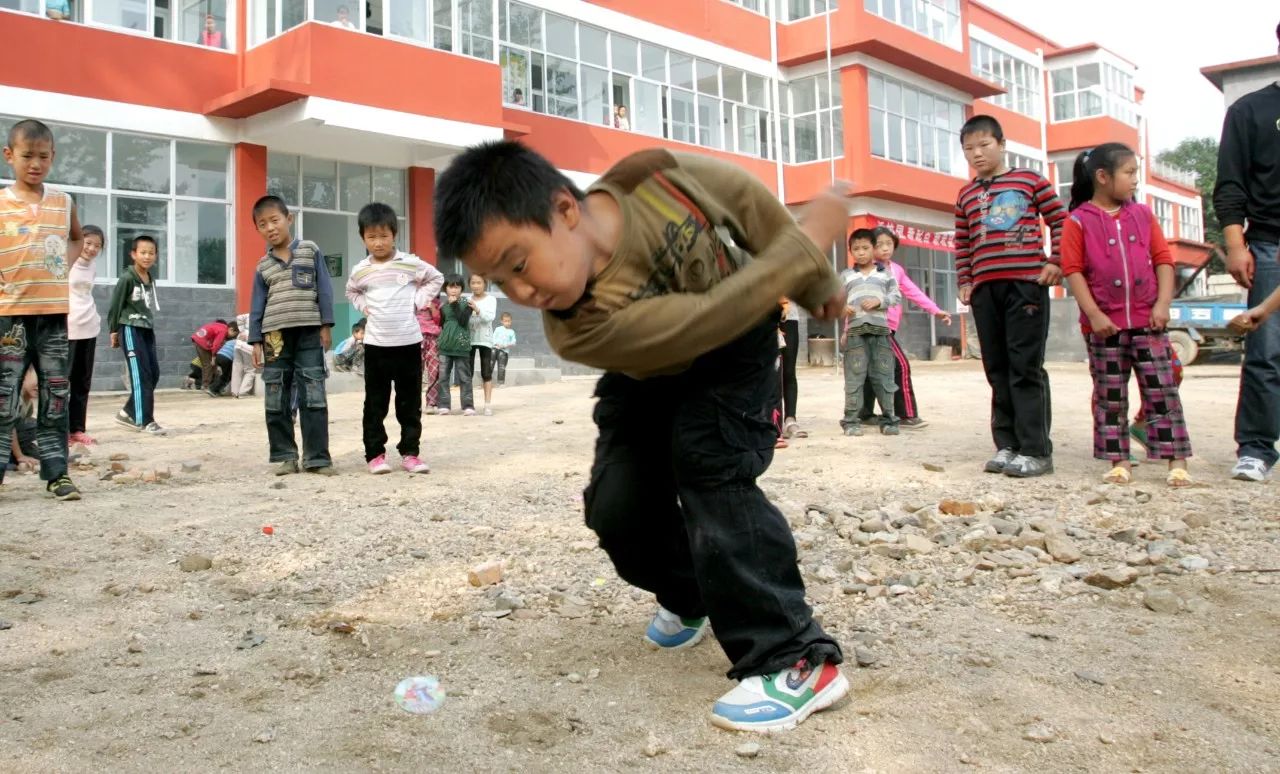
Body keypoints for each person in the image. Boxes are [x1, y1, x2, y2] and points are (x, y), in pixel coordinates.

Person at [434, 140, 849, 733]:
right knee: (616, 506)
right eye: (500, 280)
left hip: (736, 356)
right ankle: (689, 595)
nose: (522, 294)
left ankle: (796, 658)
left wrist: (814, 278)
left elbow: (748, 205)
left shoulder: (655, 179)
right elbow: (694, 322)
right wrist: (805, 246)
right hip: (653, 362)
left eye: (519, 264)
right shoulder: (575, 329)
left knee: (711, 471)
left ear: (565, 210)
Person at [1062, 143, 1192, 487]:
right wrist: (1094, 314)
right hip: (1104, 328)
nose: (1135, 180)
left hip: (1149, 323)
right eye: (1129, 173)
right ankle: (1119, 462)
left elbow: (1164, 260)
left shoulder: (1144, 215)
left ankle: (1176, 462)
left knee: (1163, 392)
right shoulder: (1077, 222)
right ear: (1103, 177)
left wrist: (1162, 305)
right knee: (1111, 396)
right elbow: (1073, 271)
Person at [955, 114, 1067, 478]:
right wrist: (965, 279)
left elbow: (1062, 222)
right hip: (986, 291)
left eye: (984, 145)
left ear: (1002, 145)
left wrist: (1057, 261)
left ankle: (1036, 450)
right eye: (969, 148)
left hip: (1025, 286)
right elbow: (963, 243)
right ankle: (1008, 444)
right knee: (997, 368)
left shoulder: (1029, 181)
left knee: (1025, 367)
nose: (977, 154)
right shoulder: (966, 194)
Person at [0, 118, 85, 500]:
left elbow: (77, 238)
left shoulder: (63, 202)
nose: (36, 164)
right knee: (5, 397)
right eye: (27, 156)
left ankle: (57, 474)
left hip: (53, 315)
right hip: (10, 316)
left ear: (53, 158)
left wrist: (59, 268)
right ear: (9, 156)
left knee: (55, 395)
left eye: (44, 157)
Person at [1216, 25, 1280, 482]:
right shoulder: (1251, 110)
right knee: (1266, 350)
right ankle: (1257, 447)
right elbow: (1231, 185)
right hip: (1270, 243)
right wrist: (1236, 245)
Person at [345, 202, 443, 474]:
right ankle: (375, 455)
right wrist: (365, 307)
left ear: (394, 234)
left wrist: (418, 301)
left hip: (409, 344)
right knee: (375, 404)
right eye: (371, 237)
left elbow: (436, 278)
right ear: (363, 237)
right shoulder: (361, 270)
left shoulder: (410, 263)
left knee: (409, 403)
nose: (378, 243)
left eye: (383, 236)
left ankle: (410, 453)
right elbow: (351, 291)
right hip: (377, 346)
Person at [247, 195, 336, 476]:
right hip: (274, 338)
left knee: (313, 393)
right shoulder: (263, 266)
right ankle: (285, 455)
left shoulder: (310, 250)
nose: (270, 227)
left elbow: (324, 288)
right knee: (276, 397)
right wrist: (255, 340)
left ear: (289, 219)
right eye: (263, 224)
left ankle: (317, 458)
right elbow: (257, 304)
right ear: (258, 230)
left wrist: (326, 324)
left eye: (275, 220)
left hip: (309, 331)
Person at [858, 226, 951, 429]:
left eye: (889, 244)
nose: (885, 248)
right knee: (901, 366)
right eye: (879, 244)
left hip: (888, 327)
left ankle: (863, 413)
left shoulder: (896, 270)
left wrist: (936, 310)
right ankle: (905, 414)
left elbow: (914, 292)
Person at [839, 229, 901, 437]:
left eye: (865, 248)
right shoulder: (846, 276)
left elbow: (896, 297)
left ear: (873, 249)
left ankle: (889, 420)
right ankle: (850, 421)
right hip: (855, 333)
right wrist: (842, 308)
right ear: (850, 251)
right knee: (854, 377)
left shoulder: (885, 275)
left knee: (883, 376)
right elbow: (835, 300)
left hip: (880, 332)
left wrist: (879, 301)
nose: (861, 253)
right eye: (856, 249)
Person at [107, 235, 165, 436]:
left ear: (155, 256)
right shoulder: (127, 278)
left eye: (151, 253)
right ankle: (145, 420)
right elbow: (115, 306)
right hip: (129, 327)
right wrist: (113, 330)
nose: (147, 256)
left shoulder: (150, 278)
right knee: (140, 375)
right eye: (143, 252)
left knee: (153, 374)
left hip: (146, 328)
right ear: (133, 254)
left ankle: (127, 412)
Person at [68, 224, 103, 446]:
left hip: (89, 327)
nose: (91, 249)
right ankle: (59, 430)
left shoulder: (92, 267)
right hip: (67, 328)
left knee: (82, 381)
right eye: (88, 243)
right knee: (61, 382)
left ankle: (77, 429)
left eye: (97, 246)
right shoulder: (65, 263)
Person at [436, 275, 473, 415]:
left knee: (464, 377)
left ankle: (468, 406)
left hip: (461, 347)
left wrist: (454, 304)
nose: (454, 289)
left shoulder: (467, 304)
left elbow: (463, 321)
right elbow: (442, 325)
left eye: (457, 286)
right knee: (443, 377)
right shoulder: (443, 306)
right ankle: (444, 405)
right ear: (446, 288)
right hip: (445, 346)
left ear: (462, 289)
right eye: (451, 286)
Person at [467, 274, 498, 415]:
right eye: (473, 283)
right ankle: (468, 405)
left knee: (486, 372)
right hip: (469, 339)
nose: (476, 286)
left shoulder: (491, 299)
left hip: (485, 339)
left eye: (479, 283)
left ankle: (487, 405)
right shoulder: (466, 299)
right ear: (469, 285)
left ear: (485, 284)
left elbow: (490, 317)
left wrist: (477, 309)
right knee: (468, 373)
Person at [778, 298, 806, 440]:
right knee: (770, 371)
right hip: (765, 317)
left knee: (788, 371)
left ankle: (790, 419)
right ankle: (771, 422)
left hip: (789, 318)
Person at [191, 318, 236, 395]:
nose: (232, 337)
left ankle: (211, 385)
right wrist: (213, 356)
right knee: (208, 364)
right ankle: (206, 386)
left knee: (211, 365)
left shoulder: (222, 327)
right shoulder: (223, 331)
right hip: (201, 341)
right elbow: (216, 344)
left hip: (199, 339)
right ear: (231, 329)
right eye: (234, 335)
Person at [417, 296, 443, 408]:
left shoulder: (438, 304)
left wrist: (433, 308)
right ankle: (414, 403)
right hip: (416, 337)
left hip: (433, 338)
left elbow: (439, 321)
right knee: (415, 370)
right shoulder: (414, 300)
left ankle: (431, 402)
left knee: (434, 370)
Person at [229, 312, 258, 397]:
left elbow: (239, 317)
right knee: (250, 370)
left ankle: (235, 392)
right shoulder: (263, 315)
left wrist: (242, 331)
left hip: (238, 344)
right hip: (250, 344)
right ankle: (243, 392)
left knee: (237, 369)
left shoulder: (250, 314)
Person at [491, 312, 516, 386]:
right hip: (494, 349)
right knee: (490, 365)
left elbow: (513, 342)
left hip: (504, 352)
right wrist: (496, 344)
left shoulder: (511, 332)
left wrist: (505, 345)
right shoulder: (498, 329)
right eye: (505, 321)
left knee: (502, 367)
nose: (507, 323)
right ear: (502, 321)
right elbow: (493, 338)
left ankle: (501, 382)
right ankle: (486, 381)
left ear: (511, 321)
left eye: (509, 321)